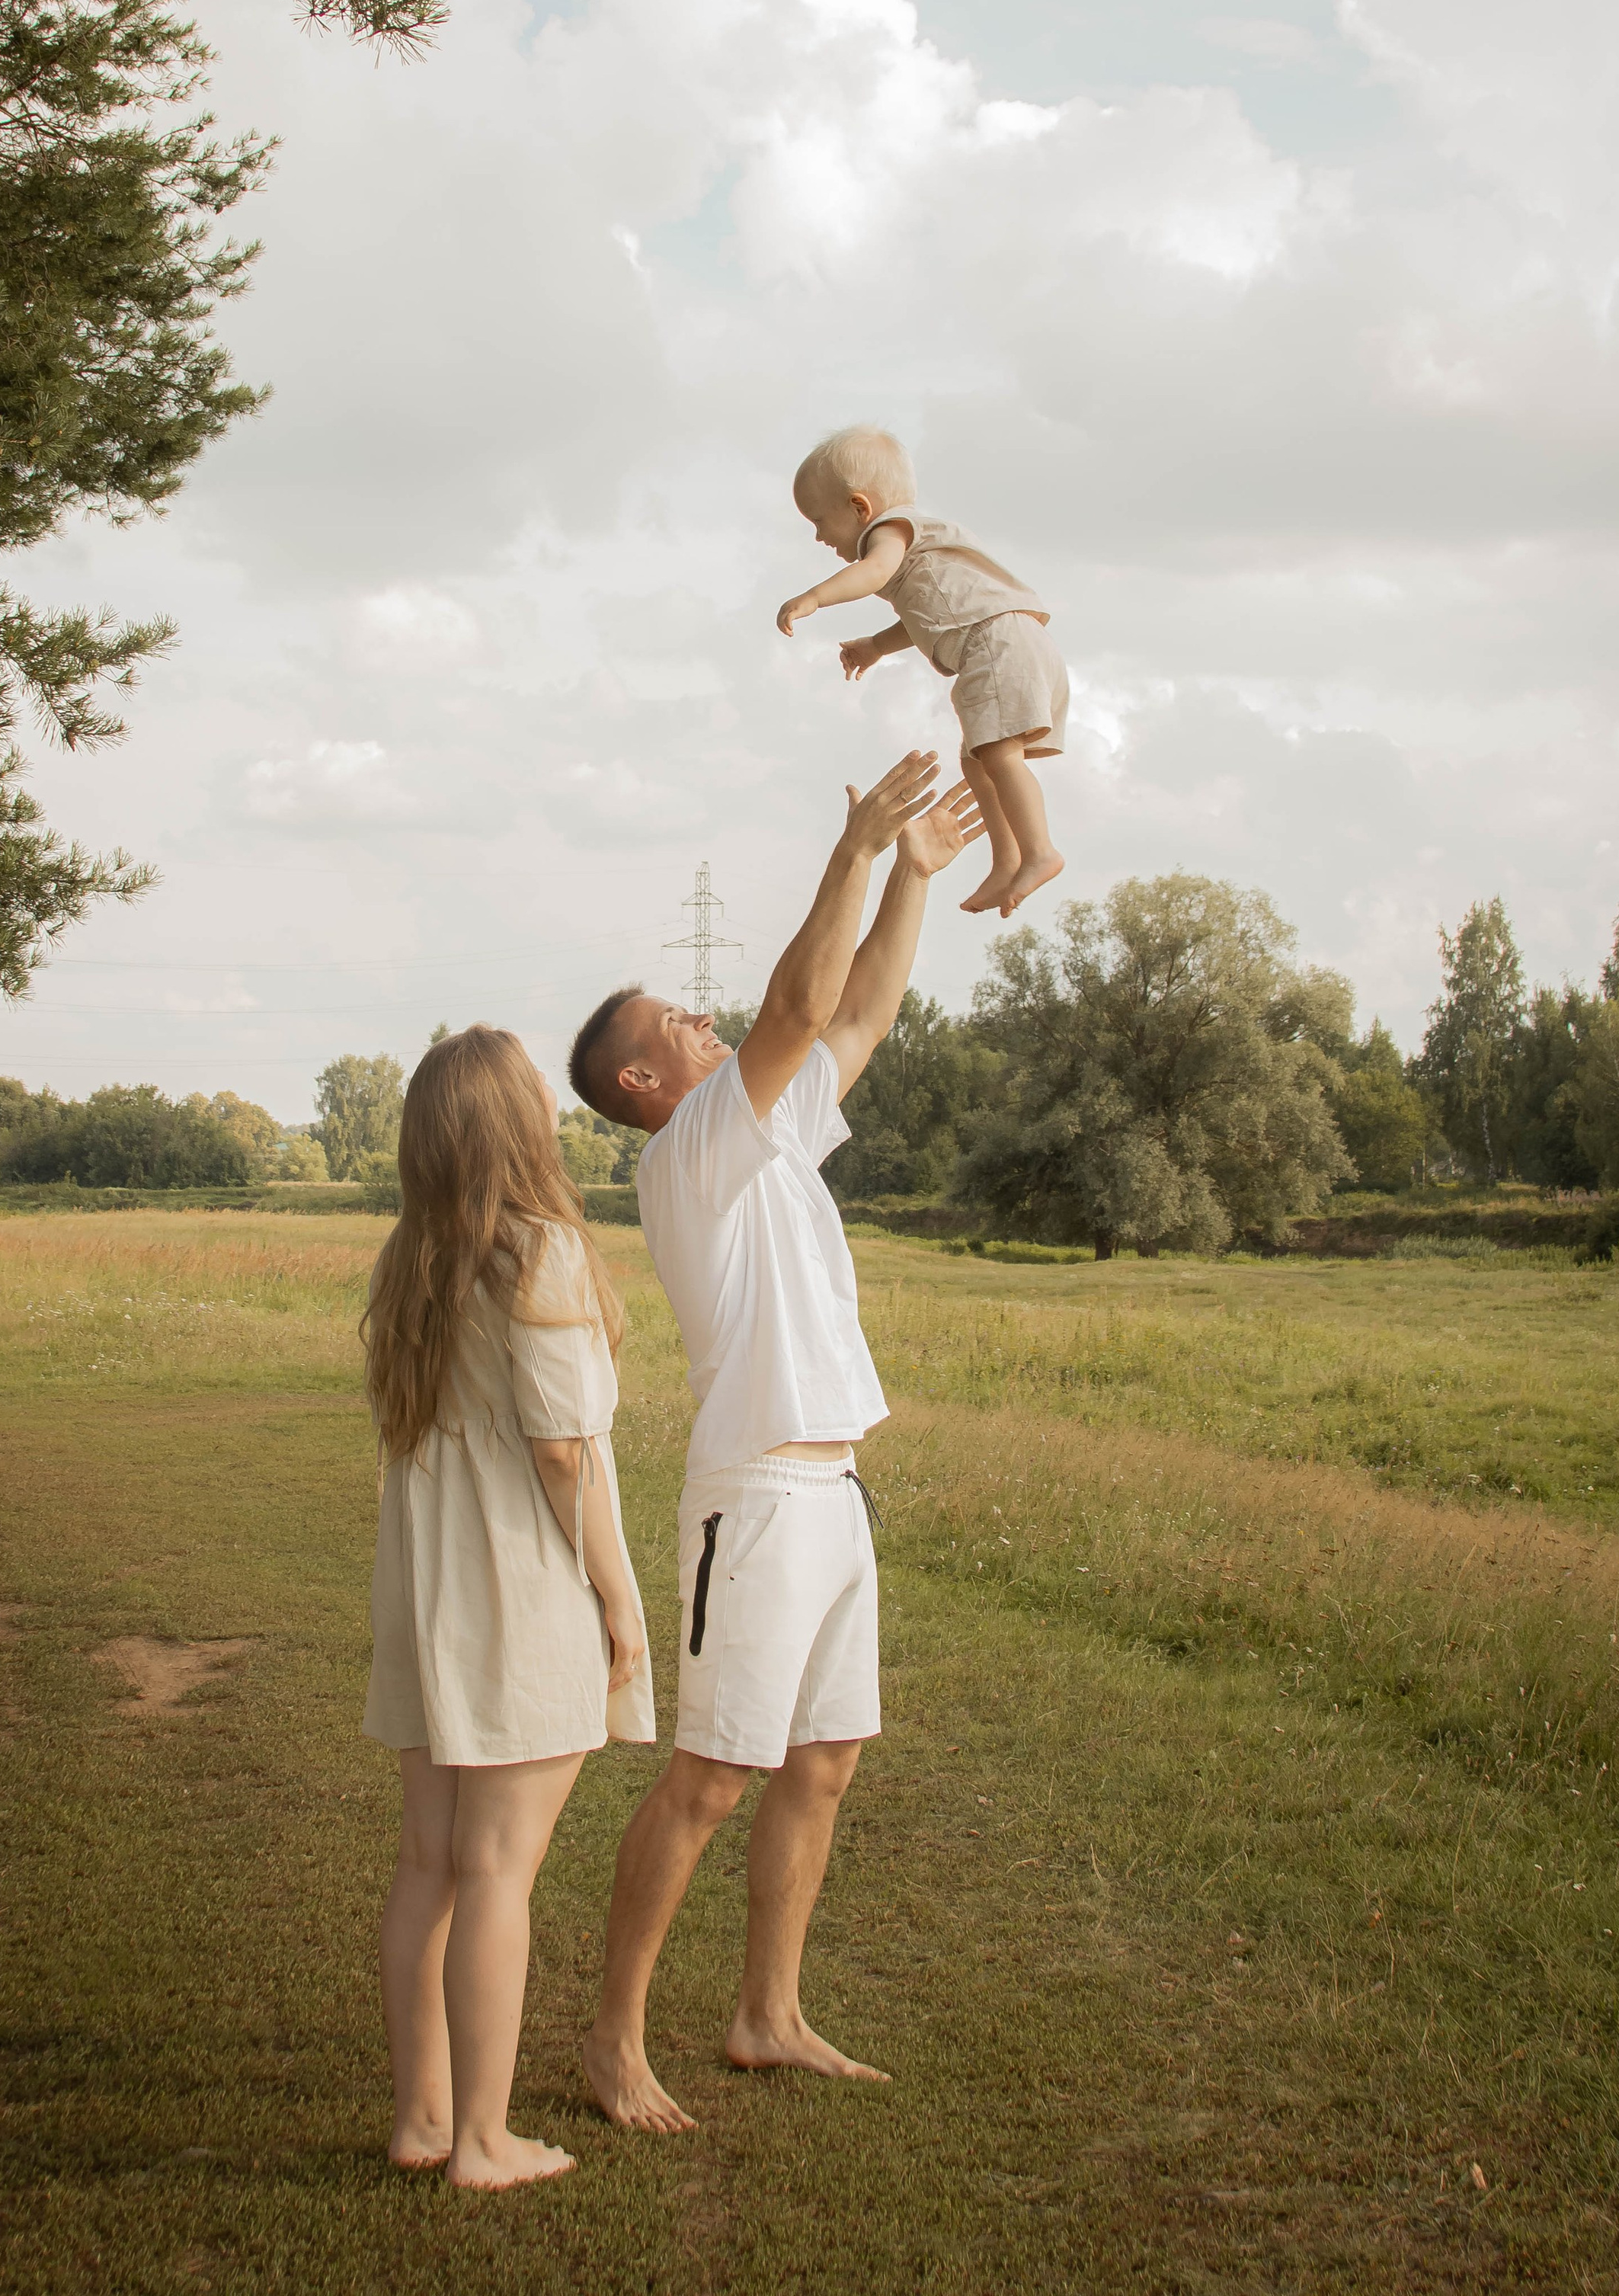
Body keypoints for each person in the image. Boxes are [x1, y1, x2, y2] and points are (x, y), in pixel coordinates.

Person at [565, 751, 983, 2132]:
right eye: (680, 1021)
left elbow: (855, 1012)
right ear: (643, 1076)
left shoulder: (770, 1132)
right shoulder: (684, 1156)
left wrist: (911, 876)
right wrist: (853, 846)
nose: (703, 1021)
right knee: (712, 1779)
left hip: (832, 1486)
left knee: (825, 1759)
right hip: (752, 1496)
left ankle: (766, 2016)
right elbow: (801, 1001)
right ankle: (614, 2044)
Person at [361, 1026, 654, 2189]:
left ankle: (425, 2118)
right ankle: (483, 2141)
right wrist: (619, 1602)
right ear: (511, 1121)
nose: (549, 1093)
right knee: (495, 1871)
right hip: (518, 1583)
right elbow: (563, 1454)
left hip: (431, 1581)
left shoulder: (414, 1257)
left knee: (429, 1861)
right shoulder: (544, 1252)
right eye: (536, 1084)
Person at [776, 422, 1070, 918]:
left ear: (859, 508)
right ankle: (1008, 858)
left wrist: (815, 598)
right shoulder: (922, 560)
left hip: (997, 642)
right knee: (981, 757)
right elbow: (926, 619)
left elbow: (872, 573)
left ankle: (1040, 849)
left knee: (999, 755)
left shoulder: (891, 532)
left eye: (820, 521)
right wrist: (874, 647)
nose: (819, 535)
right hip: (1010, 641)